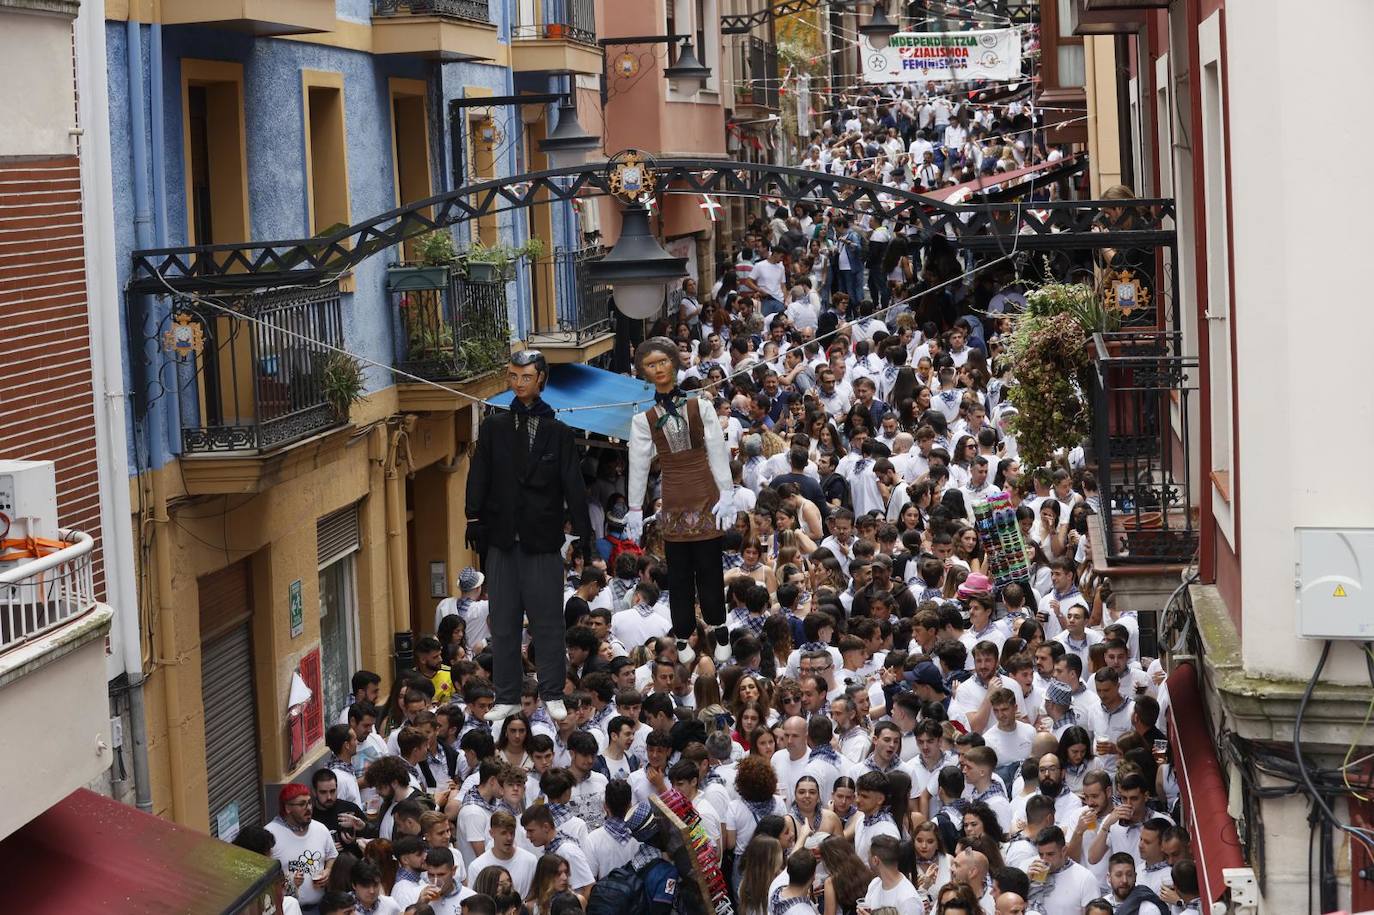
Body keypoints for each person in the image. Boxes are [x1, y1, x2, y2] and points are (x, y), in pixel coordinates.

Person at [466, 349, 593, 725]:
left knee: (548, 623)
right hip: (502, 539)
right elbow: (479, 475)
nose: (518, 383)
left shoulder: (558, 431)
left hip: (542, 540)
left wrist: (583, 535)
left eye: (525, 377)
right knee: (503, 622)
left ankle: (552, 691)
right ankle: (505, 695)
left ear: (541, 380)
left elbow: (573, 483)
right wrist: (473, 517)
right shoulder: (494, 426)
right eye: (512, 376)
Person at [626, 338, 734, 651]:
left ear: (674, 364)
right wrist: (634, 507)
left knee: (710, 566)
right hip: (672, 496)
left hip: (704, 491)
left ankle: (718, 623)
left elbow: (716, 448)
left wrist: (727, 491)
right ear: (644, 372)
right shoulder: (642, 420)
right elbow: (638, 463)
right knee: (679, 571)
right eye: (650, 364)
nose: (658, 369)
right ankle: (684, 631)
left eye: (662, 362)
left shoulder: (700, 406)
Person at [266, 783, 338, 911]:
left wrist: (328, 871)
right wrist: (290, 883)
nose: (308, 808)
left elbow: (332, 856)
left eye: (310, 802)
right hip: (288, 910)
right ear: (287, 808)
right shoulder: (270, 835)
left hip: (320, 907)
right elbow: (263, 879)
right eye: (302, 804)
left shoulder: (320, 829)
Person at [863, 834, 922, 915]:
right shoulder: (874, 884)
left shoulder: (908, 899)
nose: (867, 861)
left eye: (869, 856)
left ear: (875, 860)